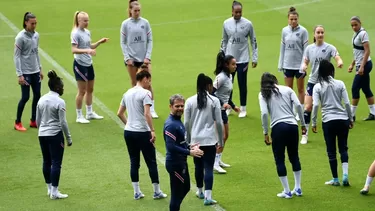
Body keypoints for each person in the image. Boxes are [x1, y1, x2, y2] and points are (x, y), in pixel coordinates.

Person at [116, 70, 167, 200]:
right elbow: (147, 113)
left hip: (129, 132)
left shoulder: (127, 93)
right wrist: (153, 130)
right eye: (149, 80)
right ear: (145, 78)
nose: (149, 84)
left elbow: (119, 113)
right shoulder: (146, 93)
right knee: (151, 161)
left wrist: (129, 124)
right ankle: (156, 191)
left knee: (134, 162)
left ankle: (137, 192)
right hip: (143, 132)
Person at [258, 72, 306, 199]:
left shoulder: (263, 94)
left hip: (278, 128)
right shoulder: (287, 89)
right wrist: (303, 124)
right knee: (294, 156)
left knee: (280, 159)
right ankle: (298, 187)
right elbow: (298, 106)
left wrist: (265, 132)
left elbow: (263, 114)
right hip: (292, 126)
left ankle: (287, 190)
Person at [311, 60, 353, 186]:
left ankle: (335, 179)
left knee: (331, 150)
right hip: (342, 119)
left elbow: (316, 105)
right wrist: (350, 118)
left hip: (328, 120)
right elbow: (346, 103)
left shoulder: (317, 86)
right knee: (343, 147)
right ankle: (345, 174)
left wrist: (313, 122)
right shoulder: (340, 83)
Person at [300, 25, 344, 144]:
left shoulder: (329, 47)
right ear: (314, 34)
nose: (320, 34)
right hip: (313, 81)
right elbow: (305, 61)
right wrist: (304, 66)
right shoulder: (309, 48)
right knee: (308, 107)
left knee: (327, 107)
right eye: (318, 32)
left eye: (322, 32)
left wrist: (339, 62)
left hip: (326, 82)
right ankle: (305, 134)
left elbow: (337, 56)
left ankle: (331, 132)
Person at [184, 73, 224, 205]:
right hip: (209, 139)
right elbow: (218, 122)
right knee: (208, 167)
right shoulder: (214, 101)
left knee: (198, 167)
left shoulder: (190, 101)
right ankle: (208, 196)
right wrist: (221, 140)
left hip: (196, 140)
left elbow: (186, 123)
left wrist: (188, 140)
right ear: (208, 85)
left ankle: (200, 191)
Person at [164, 94, 204, 211]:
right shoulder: (171, 125)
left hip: (181, 162)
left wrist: (190, 146)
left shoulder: (178, 122)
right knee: (176, 195)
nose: (180, 108)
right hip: (175, 164)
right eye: (177, 106)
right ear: (170, 106)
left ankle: (175, 208)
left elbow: (179, 142)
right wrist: (189, 152)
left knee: (186, 187)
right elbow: (171, 146)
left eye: (182, 106)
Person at [36, 70, 72, 199]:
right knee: (56, 162)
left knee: (46, 161)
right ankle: (55, 192)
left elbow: (37, 120)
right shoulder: (59, 101)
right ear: (57, 87)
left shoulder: (41, 99)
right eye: (62, 87)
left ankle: (49, 189)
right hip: (55, 134)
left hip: (42, 134)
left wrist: (42, 131)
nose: (63, 89)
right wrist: (68, 138)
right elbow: (63, 122)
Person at [121, 1, 158, 118]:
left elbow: (150, 40)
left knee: (148, 83)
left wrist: (148, 56)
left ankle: (151, 108)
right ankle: (135, 108)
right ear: (130, 10)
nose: (137, 13)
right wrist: (127, 58)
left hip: (144, 59)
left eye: (138, 11)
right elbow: (123, 42)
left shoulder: (145, 23)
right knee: (134, 84)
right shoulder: (126, 24)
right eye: (135, 11)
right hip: (132, 60)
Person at [221, 0, 258, 118]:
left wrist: (255, 58)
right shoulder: (226, 23)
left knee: (242, 83)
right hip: (229, 58)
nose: (238, 14)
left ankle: (243, 108)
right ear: (232, 12)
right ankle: (229, 107)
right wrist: (222, 54)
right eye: (236, 12)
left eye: (240, 12)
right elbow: (224, 40)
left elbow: (253, 41)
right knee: (228, 84)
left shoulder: (248, 24)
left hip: (243, 58)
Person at [71, 11, 109, 124]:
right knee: (81, 91)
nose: (87, 22)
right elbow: (74, 49)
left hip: (88, 63)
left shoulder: (87, 32)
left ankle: (89, 112)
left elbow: (89, 46)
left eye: (88, 20)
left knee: (90, 89)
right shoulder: (75, 33)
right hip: (80, 64)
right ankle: (79, 115)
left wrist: (99, 43)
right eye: (85, 21)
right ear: (79, 21)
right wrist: (87, 51)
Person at [14, 12, 43, 131]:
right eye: (32, 23)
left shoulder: (36, 35)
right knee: (25, 97)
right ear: (26, 22)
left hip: (35, 71)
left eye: (35, 23)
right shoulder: (20, 37)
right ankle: (17, 122)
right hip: (25, 73)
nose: (34, 25)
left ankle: (33, 120)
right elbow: (16, 56)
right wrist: (19, 74)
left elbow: (36, 52)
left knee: (37, 96)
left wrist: (40, 68)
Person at [278, 7, 309, 120]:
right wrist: (280, 63)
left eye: (295, 19)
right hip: (288, 64)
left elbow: (306, 50)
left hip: (299, 66)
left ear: (298, 19)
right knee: (288, 89)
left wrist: (303, 65)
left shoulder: (303, 31)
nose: (293, 21)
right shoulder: (284, 31)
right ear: (288, 19)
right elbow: (283, 48)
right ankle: (290, 111)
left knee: (300, 89)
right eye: (291, 19)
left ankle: (299, 112)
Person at [212, 51, 240, 174]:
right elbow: (211, 93)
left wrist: (233, 106)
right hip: (216, 109)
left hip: (223, 109)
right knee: (220, 137)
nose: (235, 66)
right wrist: (222, 103)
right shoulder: (221, 77)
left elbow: (226, 95)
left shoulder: (230, 76)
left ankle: (218, 159)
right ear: (226, 65)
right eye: (233, 64)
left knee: (225, 136)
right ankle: (214, 163)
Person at [348, 16, 375, 121]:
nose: (354, 27)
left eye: (356, 25)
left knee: (355, 88)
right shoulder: (356, 34)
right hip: (361, 65)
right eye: (352, 25)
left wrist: (361, 67)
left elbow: (367, 51)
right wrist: (352, 64)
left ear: (360, 23)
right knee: (366, 89)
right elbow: (358, 52)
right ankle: (373, 113)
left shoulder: (363, 34)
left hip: (365, 65)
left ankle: (352, 115)